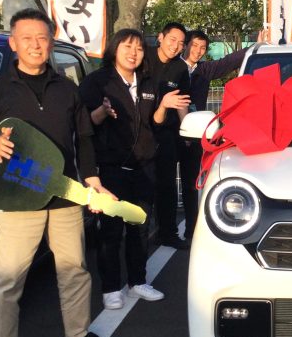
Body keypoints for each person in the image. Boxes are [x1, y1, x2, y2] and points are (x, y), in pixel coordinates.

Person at [0, 8, 115, 337]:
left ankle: (78, 334)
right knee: (8, 277)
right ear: (13, 43)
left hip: (64, 195)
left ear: (51, 42)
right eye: (27, 38)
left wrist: (92, 179)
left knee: (74, 270)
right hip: (16, 198)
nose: (36, 45)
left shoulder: (67, 89)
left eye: (42, 38)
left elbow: (83, 138)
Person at [80, 28, 189, 309]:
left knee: (139, 226)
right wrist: (102, 112)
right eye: (127, 47)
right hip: (110, 169)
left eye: (139, 48)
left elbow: (154, 122)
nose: (133, 53)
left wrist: (163, 105)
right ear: (114, 49)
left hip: (144, 167)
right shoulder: (98, 82)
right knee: (111, 232)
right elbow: (84, 126)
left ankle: (138, 281)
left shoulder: (148, 81)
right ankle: (110, 288)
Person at [176, 27, 266, 235]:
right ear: (185, 45)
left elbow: (228, 62)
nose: (198, 51)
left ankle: (190, 229)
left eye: (203, 48)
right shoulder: (172, 67)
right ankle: (165, 230)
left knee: (191, 183)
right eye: (194, 45)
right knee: (164, 183)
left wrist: (256, 45)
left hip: (195, 132)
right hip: (168, 132)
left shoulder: (204, 70)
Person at [147, 22, 192, 249]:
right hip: (140, 131)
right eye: (172, 40)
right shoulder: (143, 58)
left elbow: (182, 103)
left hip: (166, 133)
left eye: (181, 43)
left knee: (167, 185)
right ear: (160, 37)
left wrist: (188, 130)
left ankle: (168, 233)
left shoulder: (180, 68)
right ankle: (137, 232)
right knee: (142, 183)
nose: (175, 46)